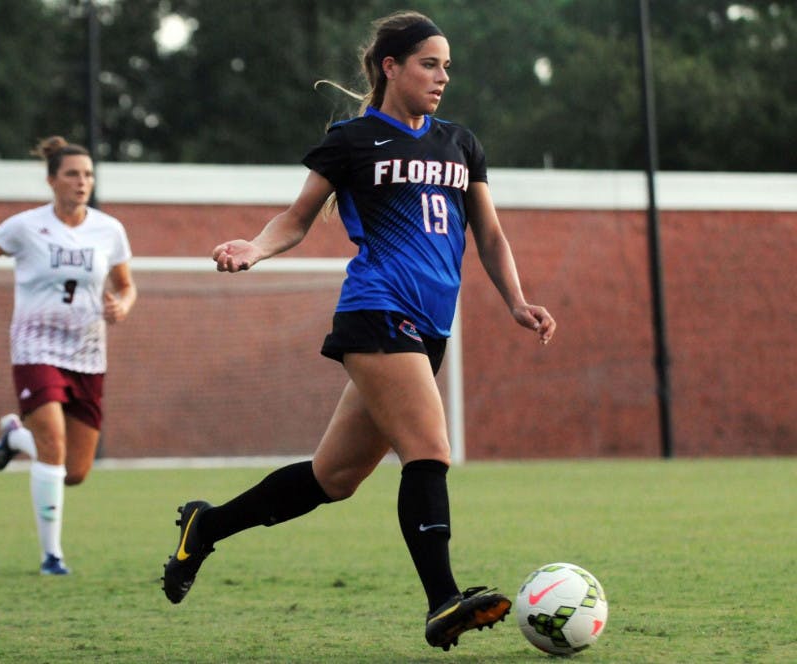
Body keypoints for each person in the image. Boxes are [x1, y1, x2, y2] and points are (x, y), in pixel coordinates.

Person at [161, 11, 556, 651]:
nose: (442, 77)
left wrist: (516, 300)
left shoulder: (460, 142)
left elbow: (489, 233)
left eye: (447, 66)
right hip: (376, 309)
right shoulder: (351, 141)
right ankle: (442, 602)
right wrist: (255, 249)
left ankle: (204, 529)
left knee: (333, 479)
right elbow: (295, 219)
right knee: (429, 449)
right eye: (430, 63)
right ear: (390, 66)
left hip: (429, 326)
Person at [0, 136, 137, 576]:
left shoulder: (108, 230)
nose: (82, 182)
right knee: (52, 446)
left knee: (75, 472)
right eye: (73, 174)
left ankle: (15, 438)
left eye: (88, 174)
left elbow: (126, 285)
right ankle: (51, 556)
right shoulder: (23, 226)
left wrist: (123, 304)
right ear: (51, 179)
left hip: (88, 352)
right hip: (36, 347)